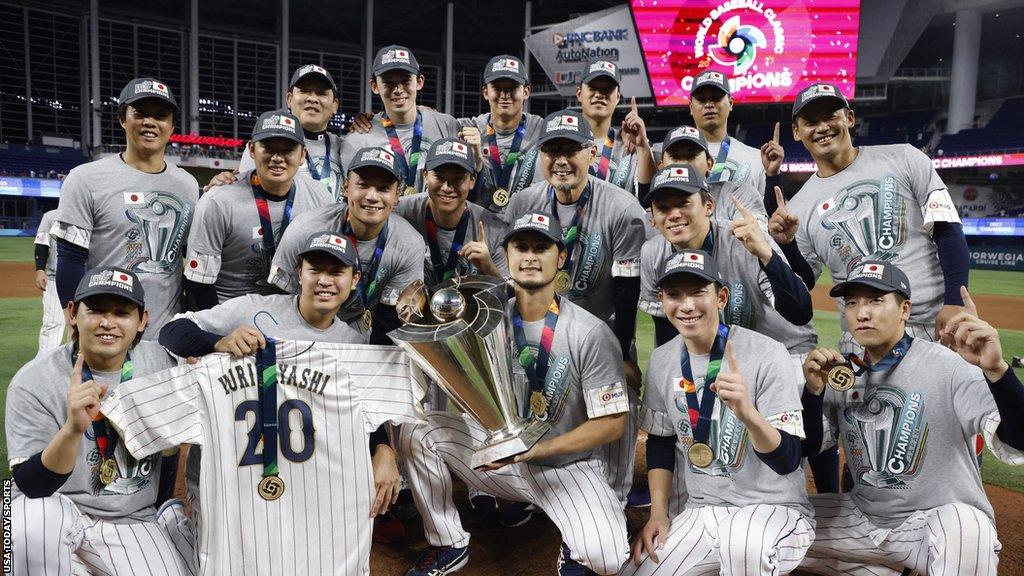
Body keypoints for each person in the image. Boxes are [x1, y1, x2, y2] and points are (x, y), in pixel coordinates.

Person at [100, 282, 428, 575]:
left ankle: (177, 522)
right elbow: (169, 339)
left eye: (336, 272)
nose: (325, 280)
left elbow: (128, 413)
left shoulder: (351, 346)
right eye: (316, 269)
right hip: (241, 510)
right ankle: (178, 524)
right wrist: (216, 344)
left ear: (354, 279)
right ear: (299, 274)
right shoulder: (226, 351)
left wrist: (384, 447)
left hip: (311, 500)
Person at [398, 210, 630, 576]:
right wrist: (415, 317)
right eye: (521, 247)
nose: (531, 257)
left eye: (542, 247)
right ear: (506, 256)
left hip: (566, 467)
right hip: (501, 463)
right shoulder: (488, 319)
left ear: (562, 257)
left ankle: (575, 544)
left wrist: (538, 449)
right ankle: (447, 543)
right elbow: (439, 348)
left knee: (608, 559)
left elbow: (613, 424)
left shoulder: (590, 332)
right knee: (416, 430)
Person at [798, 261, 1024, 575]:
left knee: (965, 526)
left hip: (934, 523)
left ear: (905, 309)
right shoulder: (842, 373)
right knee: (770, 525)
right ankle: (882, 566)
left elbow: (1019, 439)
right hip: (862, 521)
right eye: (852, 303)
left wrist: (997, 371)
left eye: (875, 300)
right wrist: (812, 391)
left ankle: (882, 565)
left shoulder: (949, 366)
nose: (862, 313)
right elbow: (808, 446)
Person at [624, 251, 813, 576]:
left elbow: (788, 460)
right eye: (674, 294)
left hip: (773, 508)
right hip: (705, 510)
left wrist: (748, 413)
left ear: (721, 297)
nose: (686, 305)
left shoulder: (767, 354)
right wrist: (658, 514)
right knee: (638, 570)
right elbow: (660, 442)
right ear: (662, 299)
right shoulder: (662, 359)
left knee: (741, 547)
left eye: (698, 292)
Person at [7, 266, 193, 575]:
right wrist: (72, 430)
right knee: (26, 525)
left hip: (130, 518)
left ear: (142, 320)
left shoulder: (163, 367)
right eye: (95, 310)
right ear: (72, 313)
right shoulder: (34, 380)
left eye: (122, 312)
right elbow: (29, 483)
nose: (108, 322)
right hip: (51, 508)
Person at [504, 109, 646, 505]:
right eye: (552, 150)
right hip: (537, 323)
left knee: (618, 403)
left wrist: (621, 350)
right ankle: (527, 487)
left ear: (591, 151)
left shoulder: (621, 207)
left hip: (601, 326)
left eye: (571, 150)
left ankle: (615, 496)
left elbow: (627, 288)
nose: (561, 160)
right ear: (540, 155)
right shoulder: (523, 202)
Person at [51, 77, 198, 339]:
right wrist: (74, 320)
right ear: (122, 119)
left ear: (172, 125)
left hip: (167, 332)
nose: (150, 122)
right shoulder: (85, 179)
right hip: (107, 329)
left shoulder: (187, 185)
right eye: (139, 113)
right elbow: (70, 259)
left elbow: (190, 260)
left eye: (161, 115)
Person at [637, 163, 815, 353]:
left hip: (784, 348)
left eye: (683, 203)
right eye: (663, 208)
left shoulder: (745, 240)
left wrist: (766, 254)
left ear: (709, 206)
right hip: (721, 357)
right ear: (653, 218)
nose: (673, 215)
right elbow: (666, 325)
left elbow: (799, 313)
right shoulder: (652, 254)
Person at [268, 146, 425, 344]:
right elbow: (280, 301)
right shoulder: (305, 230)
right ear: (345, 188)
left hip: (362, 330)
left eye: (384, 188)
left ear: (396, 197)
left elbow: (390, 320)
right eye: (363, 185)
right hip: (302, 328)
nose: (372, 196)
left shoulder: (408, 244)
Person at [183, 109, 334, 308]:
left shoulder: (321, 198)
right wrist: (216, 335)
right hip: (231, 317)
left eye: (288, 149)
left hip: (293, 316)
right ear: (252, 150)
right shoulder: (218, 201)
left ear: (302, 155)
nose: (277, 158)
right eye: (268, 148)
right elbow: (198, 284)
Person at [510, 60, 650, 195]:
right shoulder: (555, 143)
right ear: (579, 93)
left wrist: (643, 147)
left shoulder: (631, 144)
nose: (599, 94)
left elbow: (647, 197)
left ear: (618, 97)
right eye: (593, 87)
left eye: (607, 89)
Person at [208, 64, 346, 201]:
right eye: (304, 91)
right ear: (289, 99)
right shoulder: (264, 144)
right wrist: (221, 187)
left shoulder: (346, 147)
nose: (312, 98)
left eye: (321, 93)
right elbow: (245, 198)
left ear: (335, 105)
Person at [341, 45, 465, 196]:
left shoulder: (448, 126)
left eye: (405, 81)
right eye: (388, 83)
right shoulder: (358, 138)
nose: (398, 89)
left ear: (419, 82)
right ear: (374, 86)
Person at [395, 137, 507, 284]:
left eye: (458, 179)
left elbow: (508, 298)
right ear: (425, 175)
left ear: (472, 181)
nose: (447, 188)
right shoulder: (400, 212)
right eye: (439, 177)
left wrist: (488, 267)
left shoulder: (493, 229)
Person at [683, 70, 782, 204]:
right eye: (701, 99)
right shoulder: (674, 157)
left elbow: (771, 215)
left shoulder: (757, 159)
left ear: (730, 103)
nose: (709, 104)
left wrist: (774, 176)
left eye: (716, 97)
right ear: (690, 107)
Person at [34, 209, 66, 353]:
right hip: (54, 278)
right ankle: (44, 363)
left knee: (84, 324)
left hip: (86, 278)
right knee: (53, 323)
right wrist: (40, 269)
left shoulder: (88, 214)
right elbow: (42, 243)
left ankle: (78, 362)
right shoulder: (51, 216)